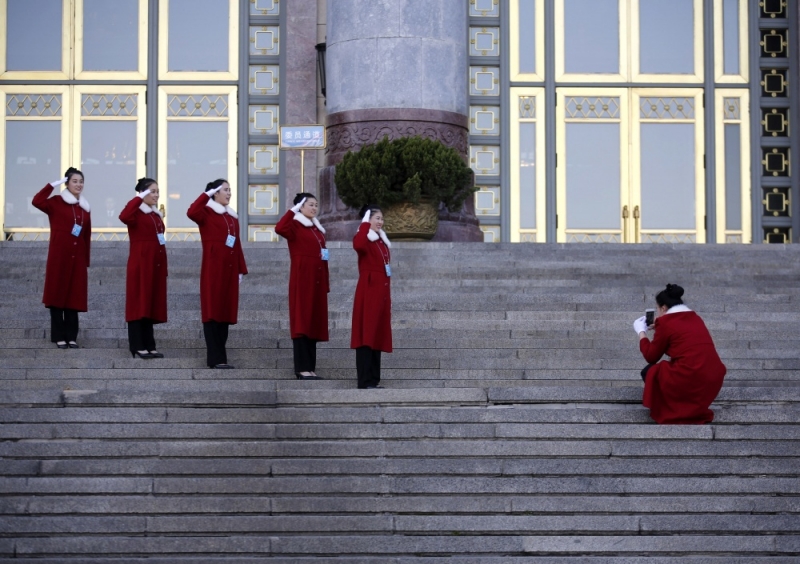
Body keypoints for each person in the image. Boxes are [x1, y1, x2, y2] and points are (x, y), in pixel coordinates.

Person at [633, 284, 726, 424]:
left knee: (649, 372)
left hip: (691, 375)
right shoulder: (695, 317)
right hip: (713, 377)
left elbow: (651, 356)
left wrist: (641, 332)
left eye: (657, 309)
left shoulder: (665, 323)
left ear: (663, 308)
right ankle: (688, 407)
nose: (657, 313)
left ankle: (672, 409)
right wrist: (659, 327)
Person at [187, 179, 248, 369]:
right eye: (225, 190)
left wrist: (240, 269)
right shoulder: (206, 212)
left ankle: (222, 358)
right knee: (213, 313)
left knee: (225, 313)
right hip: (213, 269)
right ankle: (215, 359)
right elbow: (191, 212)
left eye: (230, 190)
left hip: (229, 270)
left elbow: (236, 244)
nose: (229, 193)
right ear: (215, 193)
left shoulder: (232, 217)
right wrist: (206, 194)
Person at [32, 167, 92, 349]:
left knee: (74, 297)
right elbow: (37, 201)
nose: (78, 184)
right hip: (59, 256)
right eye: (74, 181)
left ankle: (71, 336)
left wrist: (85, 260)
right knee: (57, 296)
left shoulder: (85, 208)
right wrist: (51, 185)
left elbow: (86, 235)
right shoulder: (56, 202)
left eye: (81, 181)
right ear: (67, 183)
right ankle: (58, 336)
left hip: (77, 258)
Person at [275, 193, 329, 380]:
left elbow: (323, 257)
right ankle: (302, 368)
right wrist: (293, 210)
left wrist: (325, 282)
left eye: (316, 205)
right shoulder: (295, 225)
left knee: (313, 324)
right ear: (301, 206)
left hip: (317, 281)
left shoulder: (316, 229)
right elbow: (280, 228)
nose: (314, 208)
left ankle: (310, 368)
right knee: (302, 322)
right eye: (310, 204)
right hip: (302, 279)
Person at [119, 178, 168, 359]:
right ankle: (137, 345)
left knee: (150, 304)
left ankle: (149, 344)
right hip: (140, 263)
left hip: (155, 264)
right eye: (152, 192)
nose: (156, 195)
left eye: (157, 192)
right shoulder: (136, 212)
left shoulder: (155, 215)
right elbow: (124, 216)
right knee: (138, 304)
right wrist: (139, 197)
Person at [351, 205, 392, 389]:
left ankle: (374, 379)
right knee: (366, 333)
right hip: (368, 290)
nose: (380, 222)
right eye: (377, 218)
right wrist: (364, 225)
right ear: (368, 220)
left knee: (377, 333)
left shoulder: (381, 241)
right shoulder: (364, 237)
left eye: (382, 218)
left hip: (381, 291)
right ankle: (365, 379)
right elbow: (358, 245)